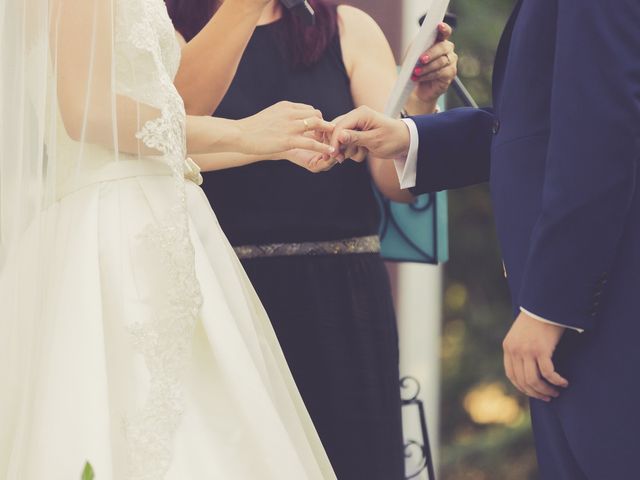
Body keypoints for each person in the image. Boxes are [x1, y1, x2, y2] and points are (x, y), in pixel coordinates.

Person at [0, 0, 341, 478]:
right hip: (116, 234)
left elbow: (155, 142)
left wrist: (275, 144)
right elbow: (85, 110)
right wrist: (243, 132)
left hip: (160, 213)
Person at [329, 0, 640, 478]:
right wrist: (413, 138)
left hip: (605, 310)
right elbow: (541, 125)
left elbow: (600, 138)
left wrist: (548, 308)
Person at [165, 1, 457, 478]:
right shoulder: (172, 27)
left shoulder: (346, 27)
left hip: (343, 296)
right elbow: (168, 125)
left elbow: (394, 182)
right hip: (228, 289)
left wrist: (419, 104)